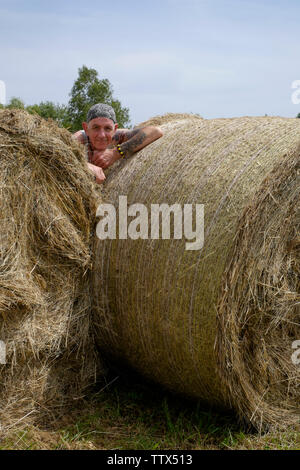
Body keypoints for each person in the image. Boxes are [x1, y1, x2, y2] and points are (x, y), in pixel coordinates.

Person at [73, 103, 163, 184]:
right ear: (86, 128)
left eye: (107, 128)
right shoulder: (78, 140)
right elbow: (60, 156)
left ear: (115, 129)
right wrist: (86, 166)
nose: (102, 135)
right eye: (96, 127)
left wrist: (115, 153)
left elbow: (155, 131)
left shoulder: (118, 137)